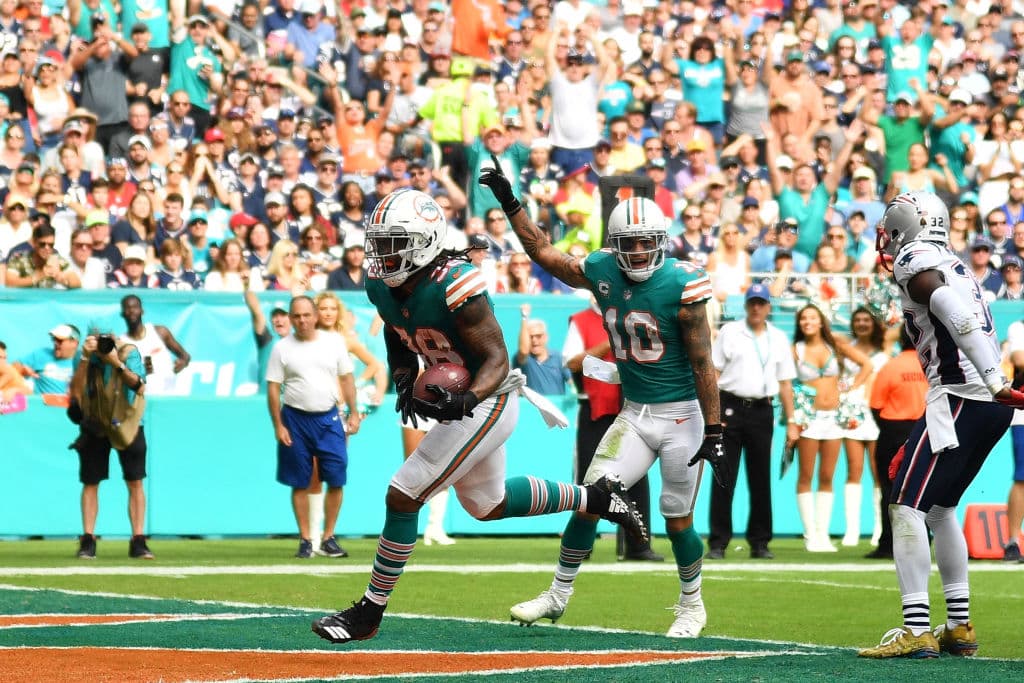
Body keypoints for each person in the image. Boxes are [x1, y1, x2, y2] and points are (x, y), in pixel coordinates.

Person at [311, 188, 645, 645]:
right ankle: (596, 498)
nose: (383, 254)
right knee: (487, 505)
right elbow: (395, 328)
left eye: (394, 243)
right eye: (380, 242)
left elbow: (497, 360)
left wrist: (465, 401)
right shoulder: (381, 285)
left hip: (488, 397)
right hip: (463, 397)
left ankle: (369, 612)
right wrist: (405, 377)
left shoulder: (455, 284)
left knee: (403, 494)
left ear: (424, 242)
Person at [480, 162, 727, 638]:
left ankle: (691, 606)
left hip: (682, 416)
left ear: (661, 241)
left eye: (645, 242)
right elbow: (544, 253)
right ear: (615, 245)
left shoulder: (683, 283)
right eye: (628, 243)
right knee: (590, 501)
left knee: (677, 518)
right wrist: (511, 204)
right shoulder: (601, 268)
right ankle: (557, 595)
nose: (638, 251)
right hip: (634, 414)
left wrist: (714, 429)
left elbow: (702, 362)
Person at [859, 190, 1024, 659]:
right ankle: (958, 626)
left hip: (963, 395)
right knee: (939, 508)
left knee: (906, 508)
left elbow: (952, 308)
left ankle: (916, 629)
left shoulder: (914, 256)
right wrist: (993, 381)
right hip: (980, 402)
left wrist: (993, 376)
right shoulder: (953, 260)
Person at [562, 295, 661, 562]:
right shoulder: (581, 321)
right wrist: (610, 341)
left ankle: (639, 546)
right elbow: (572, 362)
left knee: (638, 477)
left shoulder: (633, 318)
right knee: (589, 480)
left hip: (632, 408)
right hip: (596, 411)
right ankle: (580, 545)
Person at [706, 284, 798, 561]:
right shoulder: (730, 331)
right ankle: (718, 542)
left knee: (760, 478)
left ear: (768, 306)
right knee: (724, 476)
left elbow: (785, 383)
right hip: (730, 407)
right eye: (752, 303)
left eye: (761, 303)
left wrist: (792, 420)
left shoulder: (778, 337)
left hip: (762, 409)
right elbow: (714, 373)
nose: (756, 308)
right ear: (746, 305)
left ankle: (760, 542)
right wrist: (713, 415)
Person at [267, 296, 361, 559]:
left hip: (329, 418)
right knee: (299, 481)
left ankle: (328, 537)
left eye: (307, 315)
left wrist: (354, 412)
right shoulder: (281, 348)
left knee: (337, 478)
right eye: (297, 316)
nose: (302, 320)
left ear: (315, 316)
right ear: (290, 318)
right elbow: (273, 388)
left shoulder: (334, 342)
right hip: (295, 419)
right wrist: (278, 425)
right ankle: (306, 539)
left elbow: (347, 378)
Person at [67, 328, 151, 560]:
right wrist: (85, 358)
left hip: (128, 422)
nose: (103, 343)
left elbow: (140, 387)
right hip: (96, 421)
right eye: (98, 338)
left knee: (135, 481)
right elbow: (75, 394)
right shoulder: (85, 356)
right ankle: (88, 539)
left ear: (116, 337)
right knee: (90, 481)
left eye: (107, 338)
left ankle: (138, 540)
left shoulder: (128, 353)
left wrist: (116, 363)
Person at [865, 324, 927, 561]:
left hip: (893, 430)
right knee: (923, 489)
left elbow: (876, 405)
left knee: (890, 490)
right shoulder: (930, 367)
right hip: (924, 429)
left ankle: (887, 544)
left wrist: (888, 429)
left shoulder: (890, 366)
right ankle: (923, 540)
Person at [839, 306, 890, 548]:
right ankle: (852, 530)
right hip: (853, 413)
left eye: (866, 320)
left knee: (878, 472)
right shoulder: (846, 348)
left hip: (879, 413)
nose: (862, 324)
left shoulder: (885, 350)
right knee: (854, 469)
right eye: (857, 320)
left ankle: (880, 528)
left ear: (874, 324)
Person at [118, 295, 191, 396]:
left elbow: (185, 357)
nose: (131, 311)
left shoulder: (160, 332)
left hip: (169, 396)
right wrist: (140, 371)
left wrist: (182, 363)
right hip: (141, 399)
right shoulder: (121, 342)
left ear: (142, 311)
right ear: (122, 314)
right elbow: (120, 374)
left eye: (135, 307)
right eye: (127, 308)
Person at [1001, 318, 1024, 562]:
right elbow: (1020, 360)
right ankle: (1013, 541)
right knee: (1022, 478)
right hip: (1023, 413)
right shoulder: (1019, 328)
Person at [514, 303, 570, 394]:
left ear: (546, 337)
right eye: (530, 337)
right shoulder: (524, 360)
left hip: (554, 404)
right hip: (529, 404)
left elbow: (572, 382)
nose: (534, 340)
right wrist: (524, 318)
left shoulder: (558, 358)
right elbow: (524, 351)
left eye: (538, 336)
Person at [14, 323, 81, 396]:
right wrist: (22, 370)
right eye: (54, 339)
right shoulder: (42, 354)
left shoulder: (82, 364)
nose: (55, 343)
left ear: (74, 343)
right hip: (41, 402)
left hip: (68, 402)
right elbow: (12, 369)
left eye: (60, 340)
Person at [245, 290, 291, 392]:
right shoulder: (267, 339)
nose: (278, 319)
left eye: (283, 315)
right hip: (265, 398)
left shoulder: (300, 341)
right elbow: (256, 312)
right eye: (275, 316)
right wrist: (247, 287)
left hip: (290, 399)